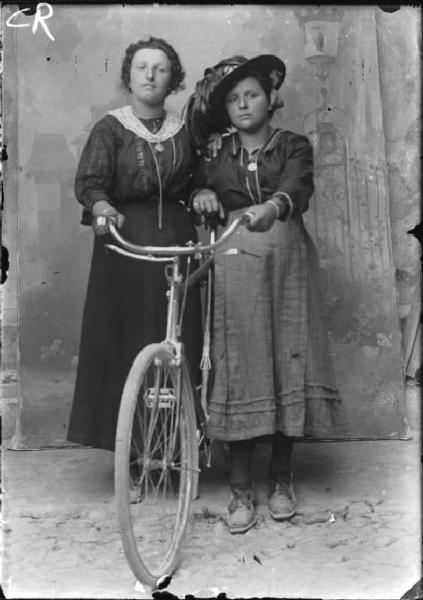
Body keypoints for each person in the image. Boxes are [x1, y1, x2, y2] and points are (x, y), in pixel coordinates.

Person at [186, 55, 345, 534]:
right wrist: (203, 197)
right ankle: (239, 488)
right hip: (235, 265)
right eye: (233, 99)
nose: (242, 104)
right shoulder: (215, 153)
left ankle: (280, 479)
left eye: (251, 95)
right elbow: (195, 187)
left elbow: (298, 186)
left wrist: (273, 207)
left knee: (285, 362)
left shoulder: (292, 145)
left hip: (287, 261)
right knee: (242, 366)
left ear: (270, 99)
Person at [67, 37, 202, 453]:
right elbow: (90, 183)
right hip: (125, 245)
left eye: (160, 69)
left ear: (172, 79)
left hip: (178, 245)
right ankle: (132, 452)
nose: (150, 75)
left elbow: (201, 183)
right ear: (128, 75)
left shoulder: (186, 129)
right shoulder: (111, 128)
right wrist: (104, 207)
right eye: (142, 67)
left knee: (180, 340)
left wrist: (202, 195)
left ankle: (179, 451)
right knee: (127, 341)